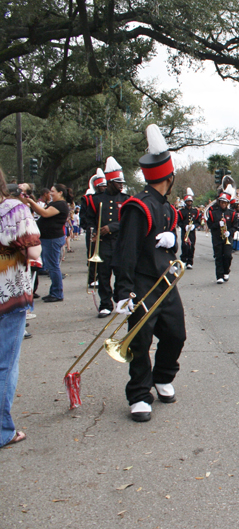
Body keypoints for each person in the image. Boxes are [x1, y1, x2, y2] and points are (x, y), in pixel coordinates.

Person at [112, 124, 186, 422]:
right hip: (142, 282)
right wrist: (123, 291)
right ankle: (140, 394)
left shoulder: (168, 208)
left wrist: (173, 239)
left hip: (166, 282)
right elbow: (125, 252)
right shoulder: (137, 207)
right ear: (169, 178)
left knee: (176, 334)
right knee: (140, 340)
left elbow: (172, 247)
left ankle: (162, 375)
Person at [0, 168, 41, 446]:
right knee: (5, 364)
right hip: (8, 293)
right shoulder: (13, 208)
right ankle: (3, 430)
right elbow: (33, 251)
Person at [84, 157, 130, 317]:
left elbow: (128, 220)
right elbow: (88, 219)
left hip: (119, 243)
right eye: (118, 183)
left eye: (122, 183)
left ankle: (119, 299)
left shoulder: (126, 199)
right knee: (103, 275)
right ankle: (105, 304)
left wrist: (111, 227)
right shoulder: (96, 200)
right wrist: (93, 231)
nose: (121, 186)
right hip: (102, 244)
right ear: (110, 182)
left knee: (121, 274)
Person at [24, 183, 73, 302]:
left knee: (53, 267)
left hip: (52, 239)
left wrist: (30, 202)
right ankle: (54, 291)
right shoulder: (55, 204)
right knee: (52, 266)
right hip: (48, 238)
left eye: (53, 191)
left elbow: (44, 213)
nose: (51, 193)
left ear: (60, 193)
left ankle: (57, 293)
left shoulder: (60, 205)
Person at [206, 186, 236, 284]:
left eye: (225, 202)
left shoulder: (231, 213)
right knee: (218, 256)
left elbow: (235, 226)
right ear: (219, 202)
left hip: (227, 237)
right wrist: (217, 224)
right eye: (222, 202)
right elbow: (210, 225)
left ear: (227, 203)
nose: (223, 204)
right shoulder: (213, 213)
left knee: (227, 256)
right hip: (217, 237)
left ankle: (226, 271)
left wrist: (230, 232)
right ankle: (219, 275)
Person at [177, 189, 200, 269]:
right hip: (185, 231)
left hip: (192, 232)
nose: (189, 203)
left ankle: (190, 262)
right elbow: (178, 222)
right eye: (188, 201)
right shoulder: (181, 211)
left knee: (192, 246)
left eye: (190, 201)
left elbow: (198, 222)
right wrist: (184, 226)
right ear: (185, 202)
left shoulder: (196, 211)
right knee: (184, 245)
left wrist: (194, 226)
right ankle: (183, 260)